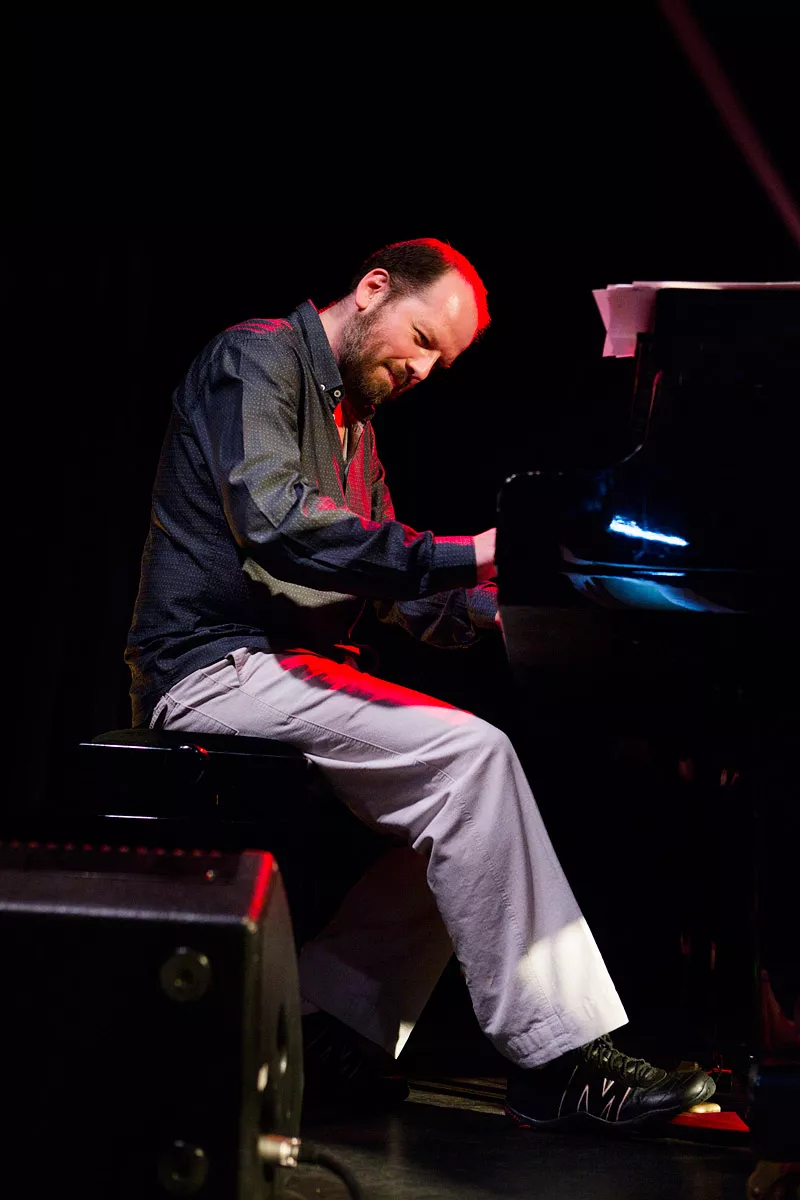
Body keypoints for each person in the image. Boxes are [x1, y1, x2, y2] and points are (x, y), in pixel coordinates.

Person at [125, 237, 715, 1130]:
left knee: (475, 832)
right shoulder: (255, 358)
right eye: (424, 340)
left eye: (443, 360)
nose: (424, 370)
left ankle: (326, 1027)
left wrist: (514, 608)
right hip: (209, 666)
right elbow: (278, 522)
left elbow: (397, 589)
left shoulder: (355, 428)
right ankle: (558, 1064)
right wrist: (473, 550)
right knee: (474, 762)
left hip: (285, 671)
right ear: (372, 290)